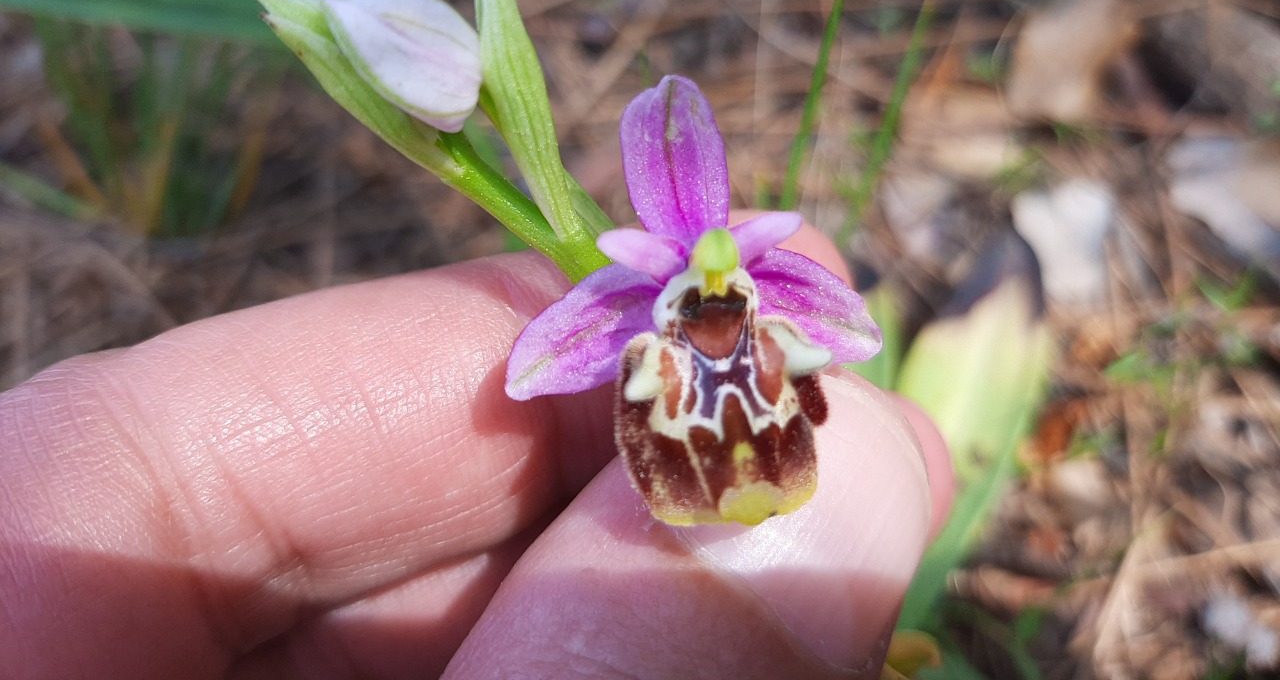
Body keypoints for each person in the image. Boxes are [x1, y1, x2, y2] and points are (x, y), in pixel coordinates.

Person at [0, 224, 953, 679]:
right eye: (702, 305)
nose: (714, 312)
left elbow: (844, 327)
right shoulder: (651, 305)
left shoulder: (739, 294)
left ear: (743, 282)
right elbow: (546, 358)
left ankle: (740, 485)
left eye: (726, 300)